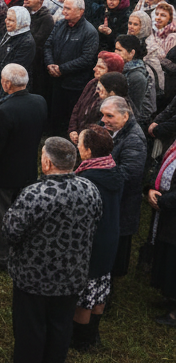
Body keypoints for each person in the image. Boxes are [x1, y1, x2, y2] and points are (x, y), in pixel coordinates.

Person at [1, 137, 103, 363]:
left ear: (47, 162)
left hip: (34, 275)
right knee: (61, 324)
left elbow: (11, 231)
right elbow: (97, 220)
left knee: (31, 325)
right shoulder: (90, 189)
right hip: (72, 273)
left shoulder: (36, 193)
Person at [0, 65, 48, 273]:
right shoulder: (40, 102)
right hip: (27, 170)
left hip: (4, 174)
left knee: (0, 216)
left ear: (7, 84)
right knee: (23, 214)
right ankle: (19, 250)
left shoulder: (5, 111)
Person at [71, 125, 123, 351]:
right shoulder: (113, 170)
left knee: (86, 294)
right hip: (110, 237)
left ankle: (81, 340)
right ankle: (93, 335)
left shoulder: (87, 179)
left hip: (92, 242)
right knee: (100, 287)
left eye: (80, 143)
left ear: (89, 151)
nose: (77, 146)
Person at [100, 95, 148, 281]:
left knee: (117, 249)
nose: (104, 120)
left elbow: (128, 176)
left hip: (123, 205)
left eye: (109, 116)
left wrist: (98, 176)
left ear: (125, 116)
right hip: (115, 202)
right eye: (103, 115)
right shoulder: (118, 130)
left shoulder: (134, 139)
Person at [44, 0, 101, 137]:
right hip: (55, 80)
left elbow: (87, 59)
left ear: (80, 11)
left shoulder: (90, 32)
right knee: (55, 113)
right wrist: (50, 63)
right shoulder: (60, 24)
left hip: (74, 83)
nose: (64, 11)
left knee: (69, 117)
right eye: (64, 7)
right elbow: (48, 45)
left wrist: (62, 69)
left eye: (68, 8)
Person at [149, 134, 176, 327]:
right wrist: (151, 188)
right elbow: (160, 165)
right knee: (168, 259)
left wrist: (162, 201)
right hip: (168, 215)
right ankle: (171, 298)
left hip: (170, 208)